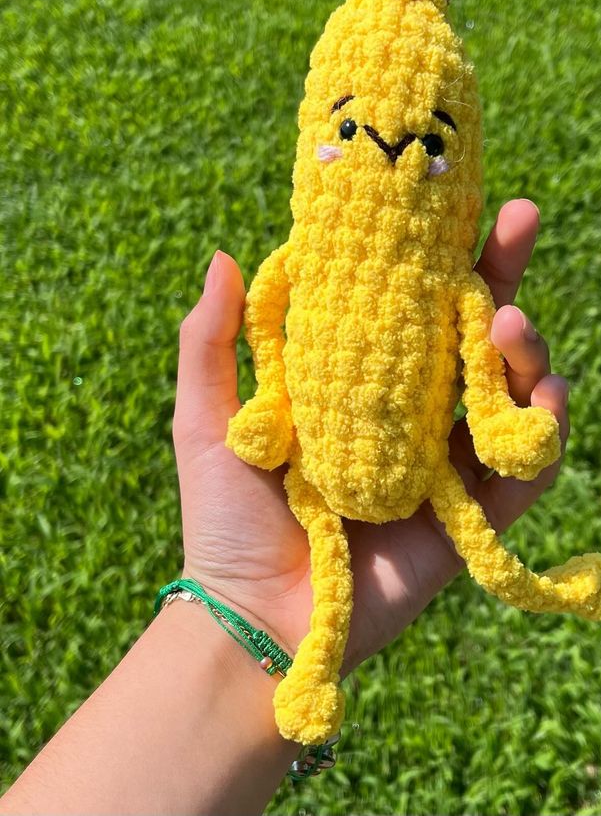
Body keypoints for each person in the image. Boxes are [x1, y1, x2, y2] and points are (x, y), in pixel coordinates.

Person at [0, 199, 570, 816]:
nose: (399, 153)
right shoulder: (311, 256)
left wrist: (488, 415)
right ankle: (309, 670)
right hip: (322, 467)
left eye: (434, 144)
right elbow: (265, 318)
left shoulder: (448, 283)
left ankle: (311, 670)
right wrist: (274, 395)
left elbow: (476, 352)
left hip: (413, 469)